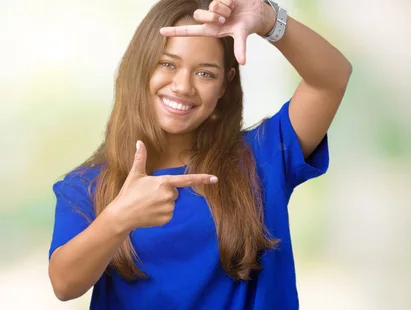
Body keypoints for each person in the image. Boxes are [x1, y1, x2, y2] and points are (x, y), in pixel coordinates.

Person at [47, 0, 352, 308]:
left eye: (205, 73)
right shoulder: (87, 185)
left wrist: (270, 20)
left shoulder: (263, 156)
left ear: (224, 85)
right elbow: (64, 285)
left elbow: (331, 79)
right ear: (140, 66)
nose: (182, 86)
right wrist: (118, 218)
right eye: (167, 64)